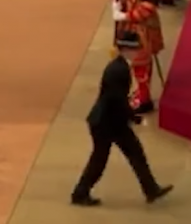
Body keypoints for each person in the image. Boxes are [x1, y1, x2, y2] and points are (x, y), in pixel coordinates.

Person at [70, 31, 174, 207]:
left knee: (134, 153)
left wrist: (130, 117)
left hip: (111, 121)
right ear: (126, 49)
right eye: (135, 49)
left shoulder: (119, 66)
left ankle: (150, 189)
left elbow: (117, 100)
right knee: (101, 159)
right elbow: (116, 100)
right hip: (107, 123)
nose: (137, 53)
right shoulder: (119, 70)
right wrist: (132, 116)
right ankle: (80, 193)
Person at [112, 0, 166, 114]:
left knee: (141, 63)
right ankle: (142, 94)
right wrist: (120, 2)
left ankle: (144, 98)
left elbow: (147, 8)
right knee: (135, 63)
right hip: (131, 27)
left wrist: (124, 15)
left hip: (144, 28)